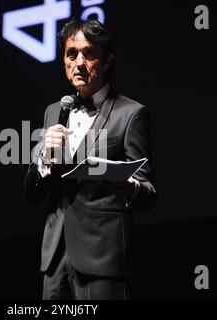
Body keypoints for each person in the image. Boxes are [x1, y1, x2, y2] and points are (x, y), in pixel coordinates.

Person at [24, 18, 157, 300]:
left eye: (89, 53)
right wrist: (44, 161)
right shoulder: (53, 112)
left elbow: (148, 192)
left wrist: (128, 186)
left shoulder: (131, 114)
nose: (79, 63)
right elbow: (31, 192)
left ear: (107, 61)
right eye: (71, 54)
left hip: (103, 258)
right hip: (55, 258)